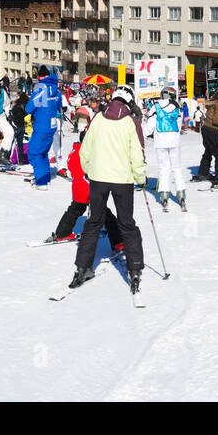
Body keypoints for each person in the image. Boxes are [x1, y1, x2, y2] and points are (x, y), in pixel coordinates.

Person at [69, 87, 146, 295]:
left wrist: (88, 169)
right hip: (122, 180)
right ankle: (135, 269)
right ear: (128, 101)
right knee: (126, 223)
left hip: (98, 178)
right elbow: (137, 153)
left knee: (94, 222)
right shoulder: (130, 122)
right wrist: (141, 177)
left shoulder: (98, 119)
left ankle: (82, 268)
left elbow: (85, 149)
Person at [47, 126, 124, 245]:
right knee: (104, 213)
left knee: (74, 210)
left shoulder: (75, 151)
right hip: (91, 188)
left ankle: (62, 233)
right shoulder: (91, 154)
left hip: (79, 190)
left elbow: (73, 169)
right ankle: (119, 242)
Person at [145, 87, 187, 210]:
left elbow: (150, 126)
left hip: (160, 142)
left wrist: (143, 134)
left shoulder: (155, 106)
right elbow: (179, 125)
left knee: (164, 168)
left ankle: (164, 195)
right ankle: (181, 194)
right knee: (177, 168)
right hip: (174, 140)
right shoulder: (177, 106)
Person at [27, 67, 61, 189]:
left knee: (34, 153)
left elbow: (29, 108)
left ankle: (41, 182)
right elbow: (59, 106)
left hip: (42, 125)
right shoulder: (56, 89)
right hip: (52, 126)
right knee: (43, 152)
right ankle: (45, 178)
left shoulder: (41, 88)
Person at [195, 89, 218, 189]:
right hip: (212, 130)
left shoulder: (216, 101)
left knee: (208, 151)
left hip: (206, 128)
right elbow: (216, 120)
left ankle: (203, 173)